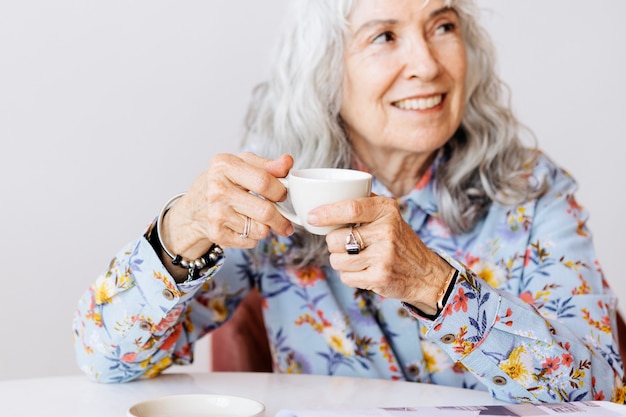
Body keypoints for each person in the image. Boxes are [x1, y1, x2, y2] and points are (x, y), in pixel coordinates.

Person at [73, 0, 624, 404]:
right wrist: (180, 231)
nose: (428, 65)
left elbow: (604, 388)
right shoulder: (278, 194)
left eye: (444, 25)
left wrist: (435, 285)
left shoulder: (529, 190)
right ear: (324, 69)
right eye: (384, 36)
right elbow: (105, 360)